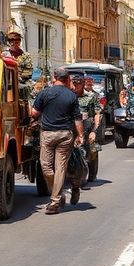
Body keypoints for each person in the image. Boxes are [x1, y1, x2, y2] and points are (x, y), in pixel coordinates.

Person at [31, 66, 84, 214]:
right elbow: (77, 118)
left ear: (54, 77)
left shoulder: (44, 93)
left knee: (46, 167)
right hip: (66, 135)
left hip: (48, 135)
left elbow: (34, 113)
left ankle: (55, 201)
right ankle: (57, 195)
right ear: (67, 79)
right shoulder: (72, 96)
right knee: (60, 168)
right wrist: (80, 135)